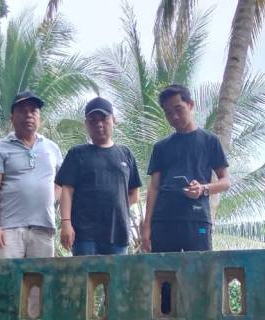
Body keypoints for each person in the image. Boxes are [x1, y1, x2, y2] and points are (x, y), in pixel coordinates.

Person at [141, 84, 230, 253]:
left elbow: (225, 181)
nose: (174, 116)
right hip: (163, 221)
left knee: (200, 274)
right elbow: (154, 187)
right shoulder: (161, 147)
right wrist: (147, 226)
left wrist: (203, 189)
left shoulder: (210, 141)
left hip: (197, 219)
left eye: (178, 109)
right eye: (168, 113)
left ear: (191, 105)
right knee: (164, 276)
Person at [56, 97, 142, 255]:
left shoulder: (126, 154)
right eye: (93, 120)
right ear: (86, 124)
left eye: (104, 119)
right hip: (84, 235)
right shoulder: (77, 154)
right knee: (84, 279)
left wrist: (113, 209)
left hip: (118, 235)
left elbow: (134, 194)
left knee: (117, 279)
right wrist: (66, 223)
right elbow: (66, 191)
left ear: (114, 120)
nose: (99, 124)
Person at [0, 91, 63, 259]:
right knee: (7, 281)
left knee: (39, 283)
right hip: (8, 229)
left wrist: (50, 197)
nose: (28, 115)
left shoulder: (51, 148)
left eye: (33, 111)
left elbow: (61, 183)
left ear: (39, 117)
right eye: (22, 111)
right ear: (12, 117)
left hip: (44, 228)